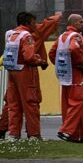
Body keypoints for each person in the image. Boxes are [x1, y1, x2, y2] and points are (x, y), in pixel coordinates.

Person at [2, 12, 49, 140]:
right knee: (31, 103)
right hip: (25, 72)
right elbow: (28, 57)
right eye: (34, 22)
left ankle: (13, 134)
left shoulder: (11, 33)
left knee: (14, 104)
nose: (36, 25)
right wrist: (40, 61)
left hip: (12, 71)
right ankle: (34, 134)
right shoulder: (27, 35)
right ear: (27, 23)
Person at [48, 14, 83, 142]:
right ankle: (66, 131)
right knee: (77, 102)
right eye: (81, 22)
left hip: (64, 74)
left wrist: (60, 65)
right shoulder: (75, 37)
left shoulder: (61, 37)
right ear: (75, 23)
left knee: (67, 104)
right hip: (75, 73)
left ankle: (75, 135)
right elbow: (74, 48)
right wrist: (80, 63)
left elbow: (52, 53)